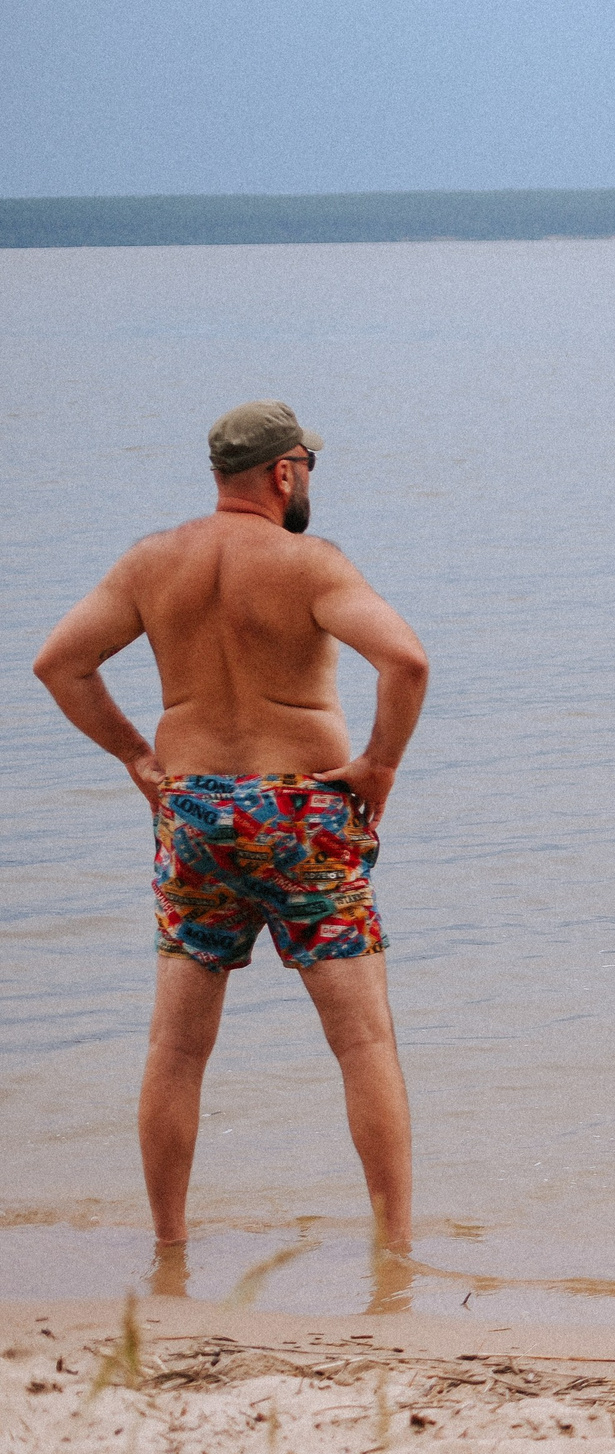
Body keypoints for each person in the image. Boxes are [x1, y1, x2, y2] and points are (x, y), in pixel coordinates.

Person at [32, 401, 430, 1250]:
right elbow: (406, 659)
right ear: (283, 472)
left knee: (176, 1047)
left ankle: (169, 1249)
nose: (310, 479)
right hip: (301, 813)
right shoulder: (310, 563)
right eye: (308, 466)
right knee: (362, 1042)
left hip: (196, 814)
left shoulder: (152, 562)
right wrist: (380, 764)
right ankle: (395, 1250)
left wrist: (140, 760)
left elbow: (59, 663)